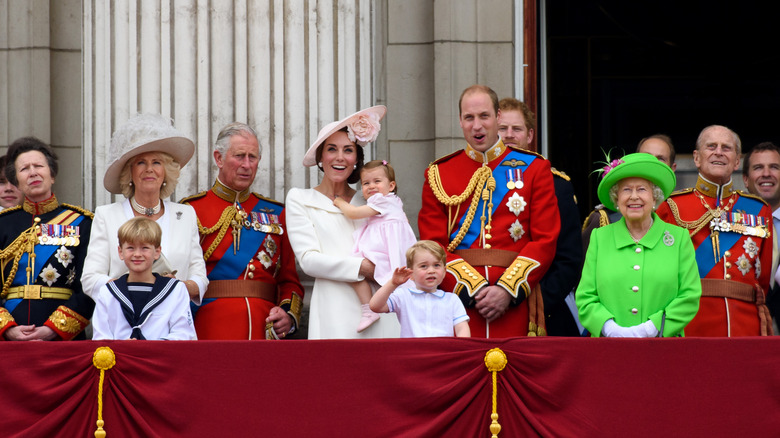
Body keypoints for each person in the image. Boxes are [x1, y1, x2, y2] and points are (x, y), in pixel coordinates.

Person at [419, 85, 560, 338]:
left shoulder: (535, 168)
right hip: (459, 304)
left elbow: (545, 240)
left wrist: (507, 290)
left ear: (498, 117)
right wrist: (472, 289)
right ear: (460, 121)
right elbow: (433, 245)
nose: (477, 126)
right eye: (469, 118)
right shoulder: (439, 173)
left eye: (484, 116)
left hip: (515, 302)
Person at [286, 105, 401, 339]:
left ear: (357, 159)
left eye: (348, 150)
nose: (340, 157)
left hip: (382, 305)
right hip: (333, 308)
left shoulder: (372, 200)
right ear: (321, 157)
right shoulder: (300, 198)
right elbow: (309, 261)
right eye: (331, 149)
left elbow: (398, 239)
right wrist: (362, 268)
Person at [182, 122, 304, 340]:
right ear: (218, 158)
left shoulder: (277, 213)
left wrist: (287, 313)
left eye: (253, 157)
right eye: (239, 156)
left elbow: (289, 279)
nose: (247, 165)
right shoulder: (190, 210)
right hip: (209, 327)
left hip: (264, 328)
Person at [656, 125, 774, 336]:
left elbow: (763, 279)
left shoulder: (759, 210)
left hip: (745, 326)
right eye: (711, 146)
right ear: (697, 157)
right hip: (691, 322)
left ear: (737, 160)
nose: (718, 152)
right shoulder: (671, 206)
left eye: (726, 148)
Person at [81, 113, 208, 307]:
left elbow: (200, 279)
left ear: (166, 172)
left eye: (156, 162)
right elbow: (90, 279)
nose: (149, 169)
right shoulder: (107, 215)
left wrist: (175, 287)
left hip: (172, 320)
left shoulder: (185, 215)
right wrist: (128, 289)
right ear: (129, 173)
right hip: (122, 318)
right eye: (141, 162)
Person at [576, 153, 701, 337]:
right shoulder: (599, 238)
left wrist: (652, 328)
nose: (634, 197)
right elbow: (585, 297)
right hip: (609, 350)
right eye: (626, 190)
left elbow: (689, 296)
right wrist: (610, 329)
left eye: (642, 189)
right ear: (617, 199)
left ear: (655, 197)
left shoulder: (679, 238)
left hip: (664, 350)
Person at [498, 97, 582, 336]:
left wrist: (530, 302)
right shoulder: (474, 184)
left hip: (543, 312)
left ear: (530, 135)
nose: (509, 135)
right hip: (485, 309)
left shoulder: (557, 185)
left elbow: (568, 260)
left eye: (517, 129)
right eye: (502, 128)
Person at [0, 137, 94, 340]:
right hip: (9, 338)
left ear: (52, 175)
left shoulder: (82, 222)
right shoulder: (3, 224)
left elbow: (88, 286)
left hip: (62, 339)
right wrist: (7, 328)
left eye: (38, 166)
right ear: (16, 181)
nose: (32, 172)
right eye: (24, 168)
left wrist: (54, 329)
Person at [333, 159, 417, 332]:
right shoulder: (394, 201)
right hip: (387, 247)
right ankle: (369, 309)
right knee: (355, 269)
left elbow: (353, 213)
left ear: (391, 185)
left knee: (353, 268)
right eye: (365, 183)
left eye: (377, 181)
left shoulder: (381, 201)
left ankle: (368, 309)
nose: (371, 186)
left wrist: (339, 202)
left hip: (385, 250)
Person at [92, 217, 196, 340]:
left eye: (144, 248)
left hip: (161, 358)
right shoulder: (107, 292)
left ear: (157, 252)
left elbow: (184, 335)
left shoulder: (176, 290)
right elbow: (101, 338)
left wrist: (146, 349)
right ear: (120, 252)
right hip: (119, 357)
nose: (137, 254)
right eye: (130, 248)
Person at [582, 134, 677, 253]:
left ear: (672, 169)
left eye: (660, 159)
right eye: (645, 157)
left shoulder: (679, 213)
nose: (651, 162)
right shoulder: (605, 220)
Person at [369, 240, 470, 338]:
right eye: (424, 266)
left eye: (436, 265)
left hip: (443, 352)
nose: (431, 270)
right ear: (411, 274)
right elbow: (375, 306)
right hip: (412, 352)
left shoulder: (452, 299)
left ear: (444, 271)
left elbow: (462, 328)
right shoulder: (403, 295)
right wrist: (392, 284)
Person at [741, 141, 780, 332]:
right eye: (758, 168)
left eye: (774, 167)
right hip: (747, 331)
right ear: (746, 179)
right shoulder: (729, 224)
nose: (766, 174)